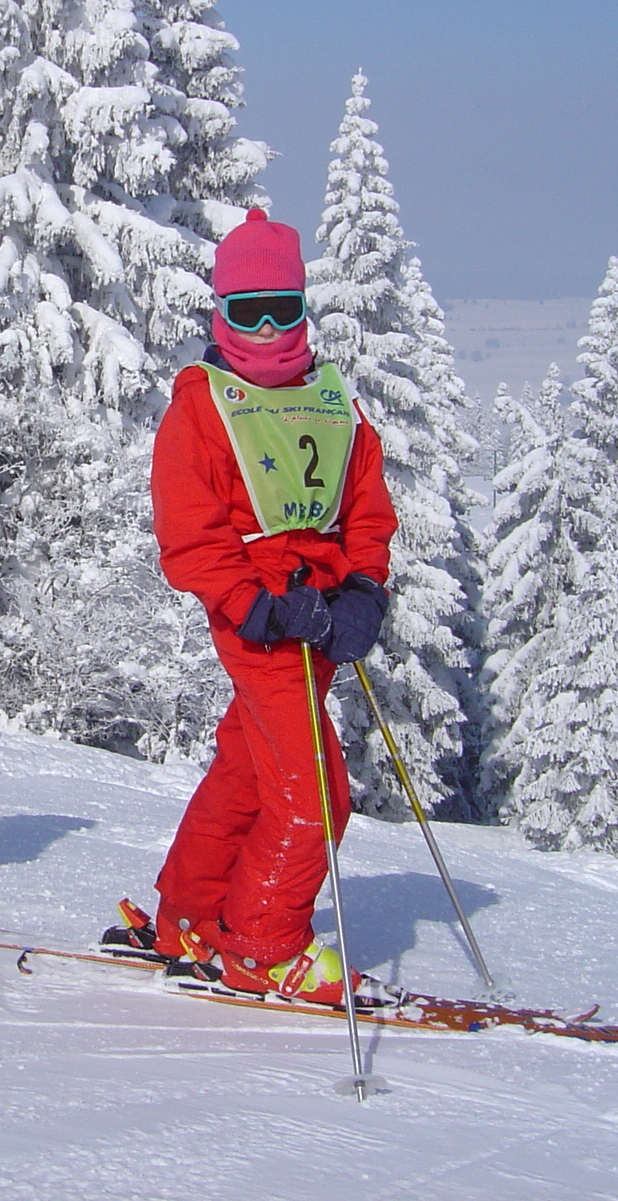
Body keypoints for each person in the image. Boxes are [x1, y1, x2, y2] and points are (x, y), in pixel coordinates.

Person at [118, 209, 399, 1004]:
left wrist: (364, 592)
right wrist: (257, 607)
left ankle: (192, 917)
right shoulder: (203, 407)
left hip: (319, 610)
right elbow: (190, 533)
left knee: (250, 769)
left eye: (284, 309)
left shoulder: (332, 402)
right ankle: (264, 944)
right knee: (315, 793)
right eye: (250, 311)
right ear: (221, 312)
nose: (269, 327)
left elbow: (367, 510)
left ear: (306, 307)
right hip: (265, 621)